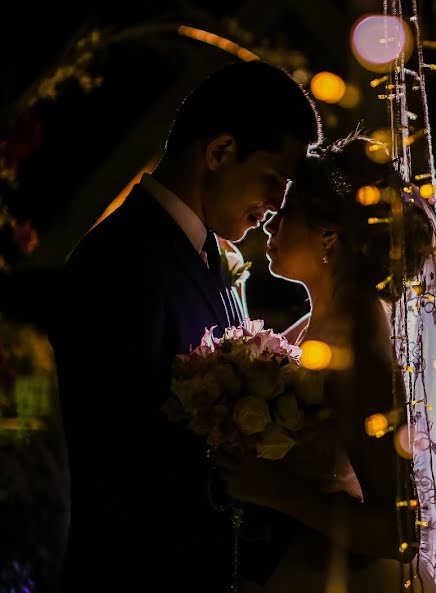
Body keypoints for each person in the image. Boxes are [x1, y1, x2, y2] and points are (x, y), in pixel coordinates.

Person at [49, 60, 321, 593]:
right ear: (219, 152)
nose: (275, 207)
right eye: (273, 180)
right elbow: (125, 466)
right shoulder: (117, 264)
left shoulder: (211, 257)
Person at [212, 135, 436, 593]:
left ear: (329, 233)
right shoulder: (323, 316)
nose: (269, 228)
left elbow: (401, 528)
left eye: (285, 215)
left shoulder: (357, 334)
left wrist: (274, 490)